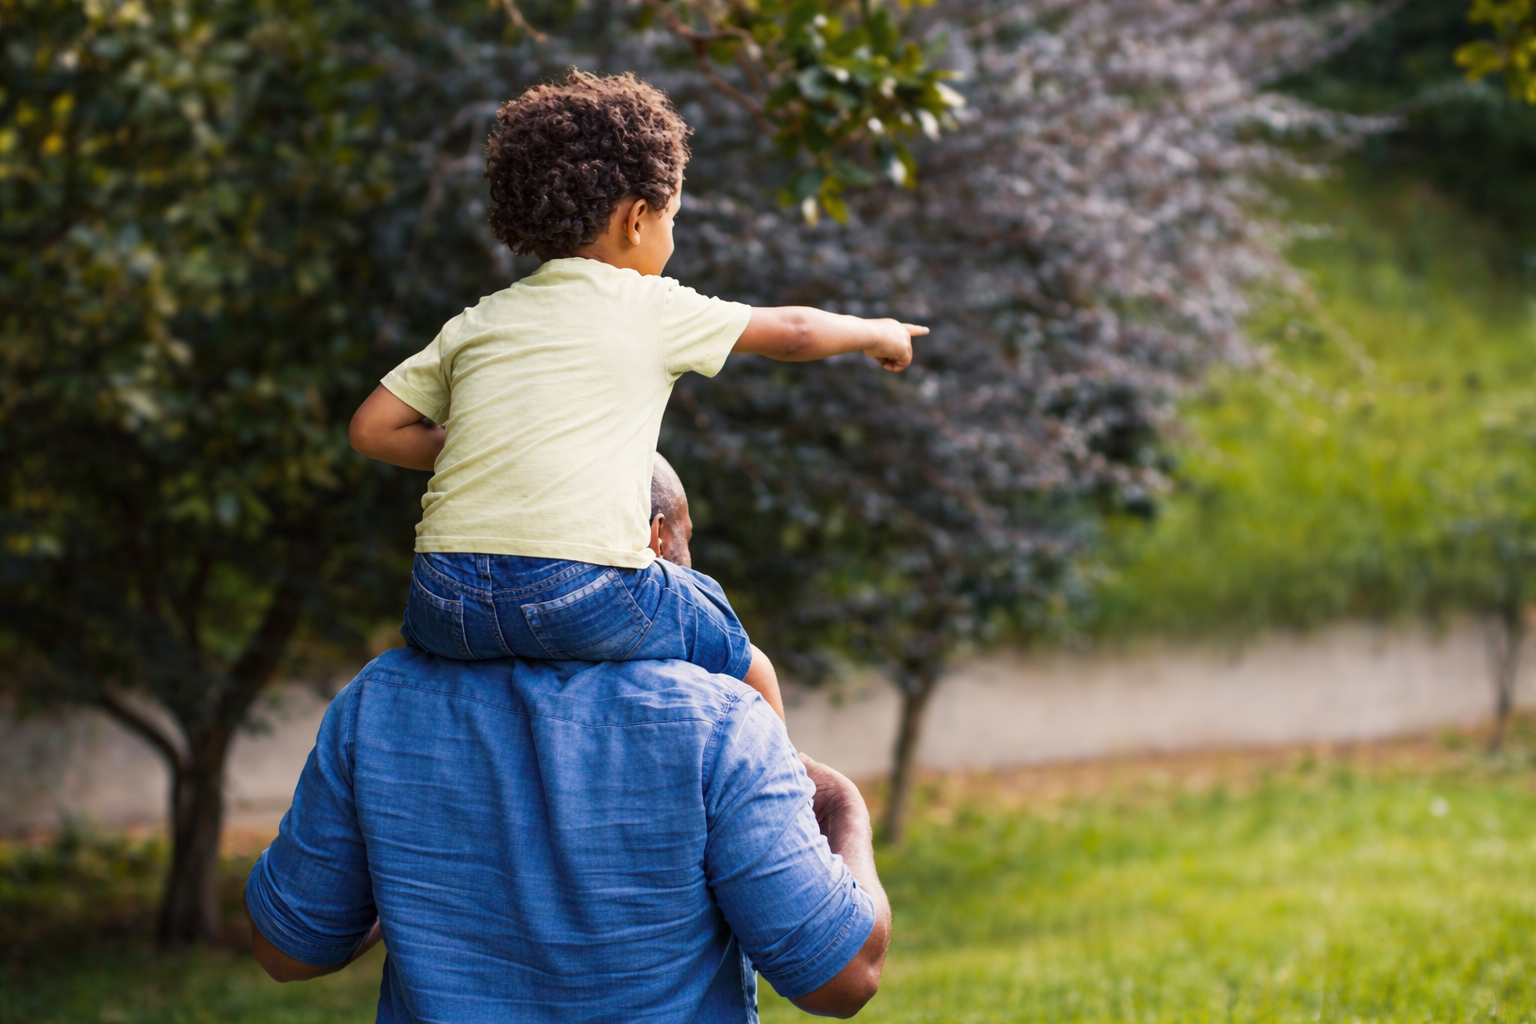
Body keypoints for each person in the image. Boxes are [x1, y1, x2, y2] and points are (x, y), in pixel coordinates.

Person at [348, 70, 926, 721]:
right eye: (673, 219)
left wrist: (486, 448)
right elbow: (792, 332)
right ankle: (784, 791)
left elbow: (372, 430)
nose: (672, 239)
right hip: (575, 592)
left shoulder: (478, 320)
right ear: (638, 218)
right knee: (749, 661)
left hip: (442, 602)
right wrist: (878, 332)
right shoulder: (649, 305)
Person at [242, 462, 892, 1022]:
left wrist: (406, 880)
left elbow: (288, 950)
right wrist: (844, 810)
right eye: (689, 542)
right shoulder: (718, 724)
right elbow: (843, 978)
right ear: (656, 539)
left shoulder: (377, 703)